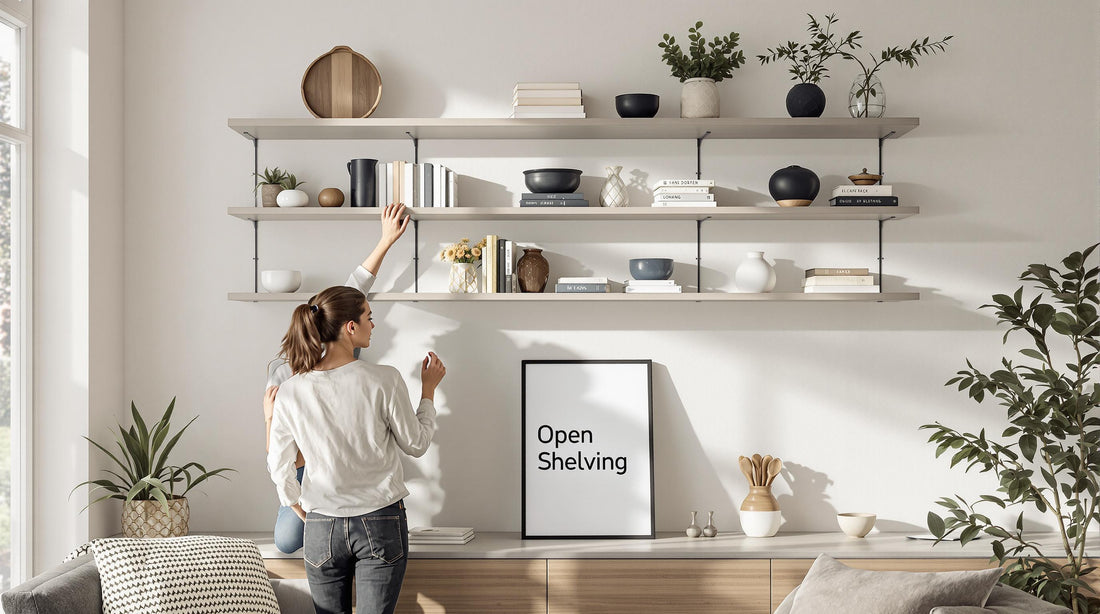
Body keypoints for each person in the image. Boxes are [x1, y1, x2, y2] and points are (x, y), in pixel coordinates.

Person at [267, 284, 445, 614]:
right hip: (380, 520)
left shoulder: (291, 391)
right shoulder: (384, 379)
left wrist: (302, 511)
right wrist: (429, 392)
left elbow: (279, 466)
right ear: (351, 327)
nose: (373, 325)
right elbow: (416, 444)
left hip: (321, 526)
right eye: (369, 317)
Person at [263, 202, 410, 554]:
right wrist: (269, 418)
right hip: (309, 469)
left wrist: (386, 240)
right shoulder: (283, 377)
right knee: (286, 540)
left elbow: (353, 290)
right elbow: (280, 456)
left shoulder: (351, 351)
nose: (370, 324)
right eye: (368, 319)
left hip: (359, 472)